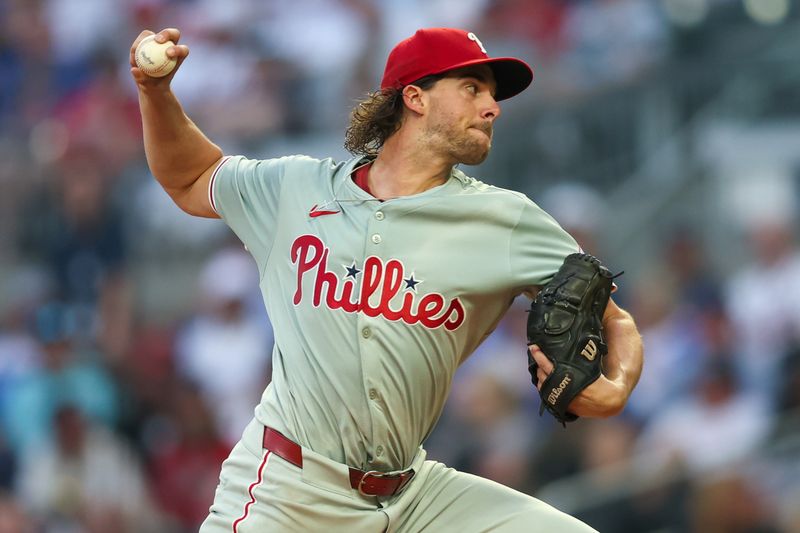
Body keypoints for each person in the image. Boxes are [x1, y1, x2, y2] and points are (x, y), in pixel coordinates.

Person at [130, 26, 643, 532]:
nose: (493, 107)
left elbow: (612, 316)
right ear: (415, 97)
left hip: (414, 498)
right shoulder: (295, 189)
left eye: (492, 95)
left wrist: (616, 387)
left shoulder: (506, 220)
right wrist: (155, 93)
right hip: (289, 493)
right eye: (472, 89)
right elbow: (192, 177)